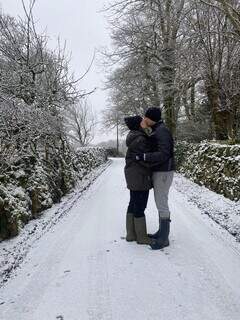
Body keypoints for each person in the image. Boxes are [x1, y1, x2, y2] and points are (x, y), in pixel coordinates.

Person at [133, 107, 175, 250]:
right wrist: (145, 130)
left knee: (161, 202)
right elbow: (153, 140)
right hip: (160, 170)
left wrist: (144, 157)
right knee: (159, 201)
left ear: (152, 119)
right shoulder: (158, 129)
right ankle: (161, 233)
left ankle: (164, 239)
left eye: (146, 117)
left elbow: (164, 153)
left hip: (164, 171)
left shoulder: (162, 131)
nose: (144, 119)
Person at [124, 116, 153, 245]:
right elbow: (145, 159)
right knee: (140, 205)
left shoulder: (132, 136)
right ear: (138, 125)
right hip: (140, 176)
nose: (144, 122)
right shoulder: (141, 139)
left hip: (132, 175)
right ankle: (141, 237)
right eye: (142, 121)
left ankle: (131, 234)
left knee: (133, 202)